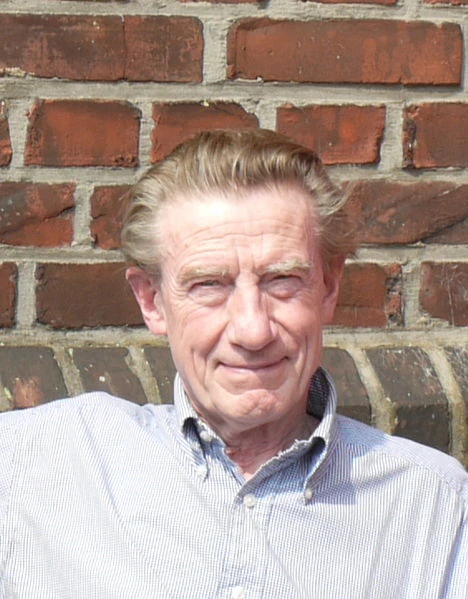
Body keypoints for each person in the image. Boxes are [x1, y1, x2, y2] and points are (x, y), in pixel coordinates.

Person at [0, 129, 466, 599]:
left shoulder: (435, 510)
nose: (253, 330)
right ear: (152, 301)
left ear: (329, 288)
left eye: (282, 280)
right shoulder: (31, 466)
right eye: (209, 285)